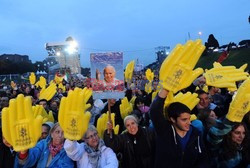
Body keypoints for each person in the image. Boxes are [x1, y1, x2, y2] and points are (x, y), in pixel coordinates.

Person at [150, 89, 209, 168]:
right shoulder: (165, 131)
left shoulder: (196, 134)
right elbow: (155, 110)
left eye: (189, 118)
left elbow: (202, 159)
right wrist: (166, 88)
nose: (189, 122)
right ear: (173, 119)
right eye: (184, 120)